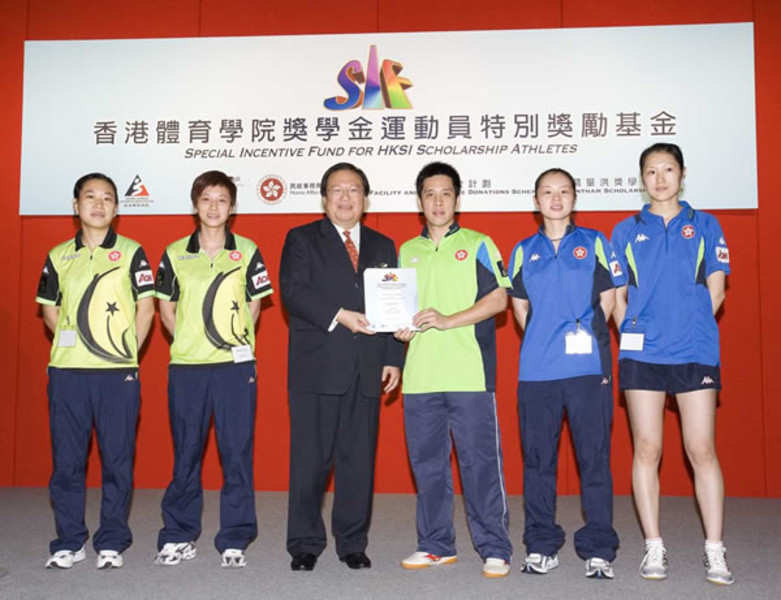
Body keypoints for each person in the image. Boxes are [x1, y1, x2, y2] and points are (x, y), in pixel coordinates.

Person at [611, 143, 733, 585]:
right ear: (641, 178)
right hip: (642, 355)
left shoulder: (706, 225)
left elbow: (716, 291)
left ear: (682, 175)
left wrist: (688, 328)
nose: (659, 178)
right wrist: (634, 334)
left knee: (701, 450)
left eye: (668, 170)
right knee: (647, 448)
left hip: (695, 351)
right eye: (651, 171)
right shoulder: (624, 230)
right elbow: (618, 298)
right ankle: (653, 546)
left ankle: (715, 550)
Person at [280, 162, 403, 572]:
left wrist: (392, 359)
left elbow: (394, 308)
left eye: (354, 190)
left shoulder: (384, 245)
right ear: (324, 198)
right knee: (309, 462)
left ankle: (352, 542)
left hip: (366, 368)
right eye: (337, 190)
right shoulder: (301, 239)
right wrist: (340, 314)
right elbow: (293, 294)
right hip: (317, 368)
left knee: (358, 461)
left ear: (365, 199)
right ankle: (304, 543)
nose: (345, 197)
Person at [395, 162, 513, 578]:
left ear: (458, 200)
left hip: (469, 376)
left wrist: (447, 319)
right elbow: (397, 310)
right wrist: (400, 328)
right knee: (427, 466)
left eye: (446, 193)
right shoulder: (405, 251)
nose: (438, 201)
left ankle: (495, 547)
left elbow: (499, 300)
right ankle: (435, 545)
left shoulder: (481, 244)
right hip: (420, 377)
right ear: (420, 201)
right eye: (430, 194)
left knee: (480, 465)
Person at [508, 168, 624, 580]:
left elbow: (609, 300)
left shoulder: (595, 243)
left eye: (563, 191)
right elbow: (520, 310)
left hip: (587, 369)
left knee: (594, 460)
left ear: (575, 198)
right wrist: (547, 337)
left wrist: (581, 334)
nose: (555, 199)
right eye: (547, 192)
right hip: (537, 371)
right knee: (538, 462)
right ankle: (541, 544)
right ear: (535, 200)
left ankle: (598, 548)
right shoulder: (523, 250)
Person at [154, 170, 272, 568]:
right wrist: (188, 341)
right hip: (187, 367)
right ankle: (179, 534)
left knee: (235, 451)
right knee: (186, 452)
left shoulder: (249, 250)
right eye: (206, 199)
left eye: (222, 200)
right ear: (195, 205)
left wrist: (233, 340)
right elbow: (165, 308)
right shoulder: (174, 252)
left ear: (232, 207)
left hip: (234, 369)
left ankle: (235, 537)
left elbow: (255, 303)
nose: (214, 207)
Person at [36, 173, 155, 569]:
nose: (99, 204)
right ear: (76, 206)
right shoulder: (58, 255)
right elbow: (49, 308)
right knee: (67, 460)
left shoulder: (133, 251)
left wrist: (126, 352)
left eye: (107, 198)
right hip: (68, 373)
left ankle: (112, 539)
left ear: (117, 209)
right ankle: (69, 540)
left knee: (117, 459)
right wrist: (75, 340)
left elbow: (147, 307)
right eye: (90, 197)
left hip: (116, 374)